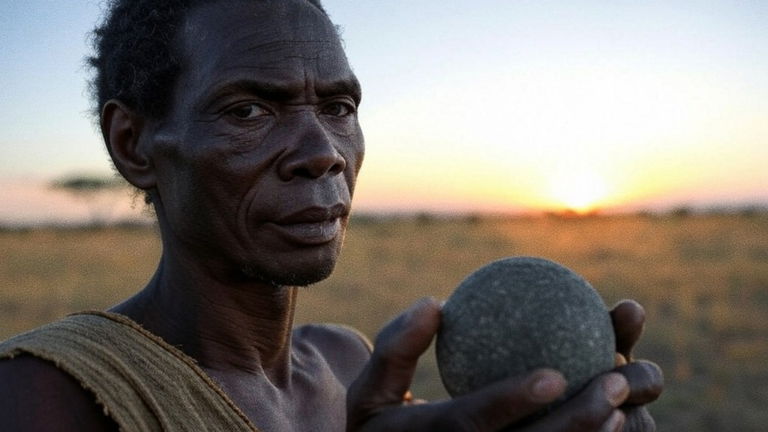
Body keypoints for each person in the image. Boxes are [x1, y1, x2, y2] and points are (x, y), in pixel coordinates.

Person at [0, 0, 663, 430]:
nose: (323, 154)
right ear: (132, 144)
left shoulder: (346, 363)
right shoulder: (49, 392)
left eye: (339, 108)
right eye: (249, 110)